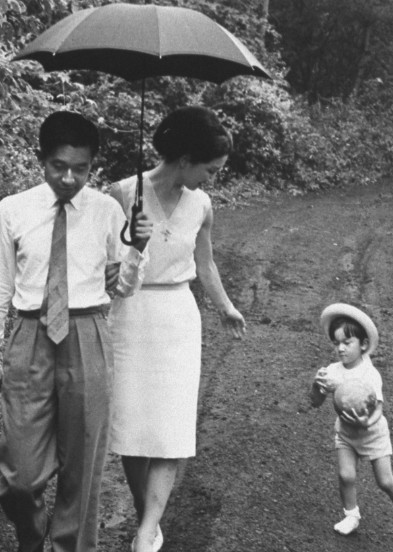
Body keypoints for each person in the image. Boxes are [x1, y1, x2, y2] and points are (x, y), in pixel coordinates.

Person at [0, 110, 152, 552]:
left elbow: (125, 288)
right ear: (41, 160)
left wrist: (137, 249)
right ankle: (32, 542)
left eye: (81, 168)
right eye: (60, 166)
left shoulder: (108, 211)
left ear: (93, 165)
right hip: (29, 336)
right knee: (19, 474)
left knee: (83, 467)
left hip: (87, 333)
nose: (70, 178)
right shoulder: (13, 210)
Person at [107, 105, 246, 552]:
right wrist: (132, 238)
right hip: (130, 316)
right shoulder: (121, 194)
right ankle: (144, 508)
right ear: (185, 158)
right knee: (131, 423)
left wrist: (224, 306)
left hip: (178, 320)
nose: (212, 178)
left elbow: (203, 262)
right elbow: (106, 272)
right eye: (210, 168)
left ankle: (147, 528)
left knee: (170, 425)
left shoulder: (201, 204)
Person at [309, 303, 393, 550]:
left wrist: (365, 422)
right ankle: (351, 515)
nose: (340, 348)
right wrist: (316, 385)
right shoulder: (331, 372)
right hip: (346, 433)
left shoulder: (370, 374)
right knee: (346, 475)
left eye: (347, 342)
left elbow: (379, 410)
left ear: (362, 345)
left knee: (385, 481)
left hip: (373, 434)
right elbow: (315, 403)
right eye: (336, 343)